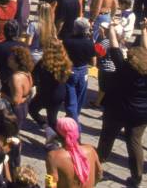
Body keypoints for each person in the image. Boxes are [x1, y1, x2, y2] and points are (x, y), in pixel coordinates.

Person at [97, 17, 147, 186]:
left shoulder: (124, 68)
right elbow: (144, 50)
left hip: (116, 110)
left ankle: (97, 166)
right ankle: (136, 177)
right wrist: (144, 31)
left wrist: (111, 28)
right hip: (140, 113)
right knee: (134, 143)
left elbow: (114, 46)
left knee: (107, 138)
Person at [47, 117, 101, 188]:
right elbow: (99, 173)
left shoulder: (53, 157)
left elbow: (51, 185)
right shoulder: (91, 150)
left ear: (58, 135)